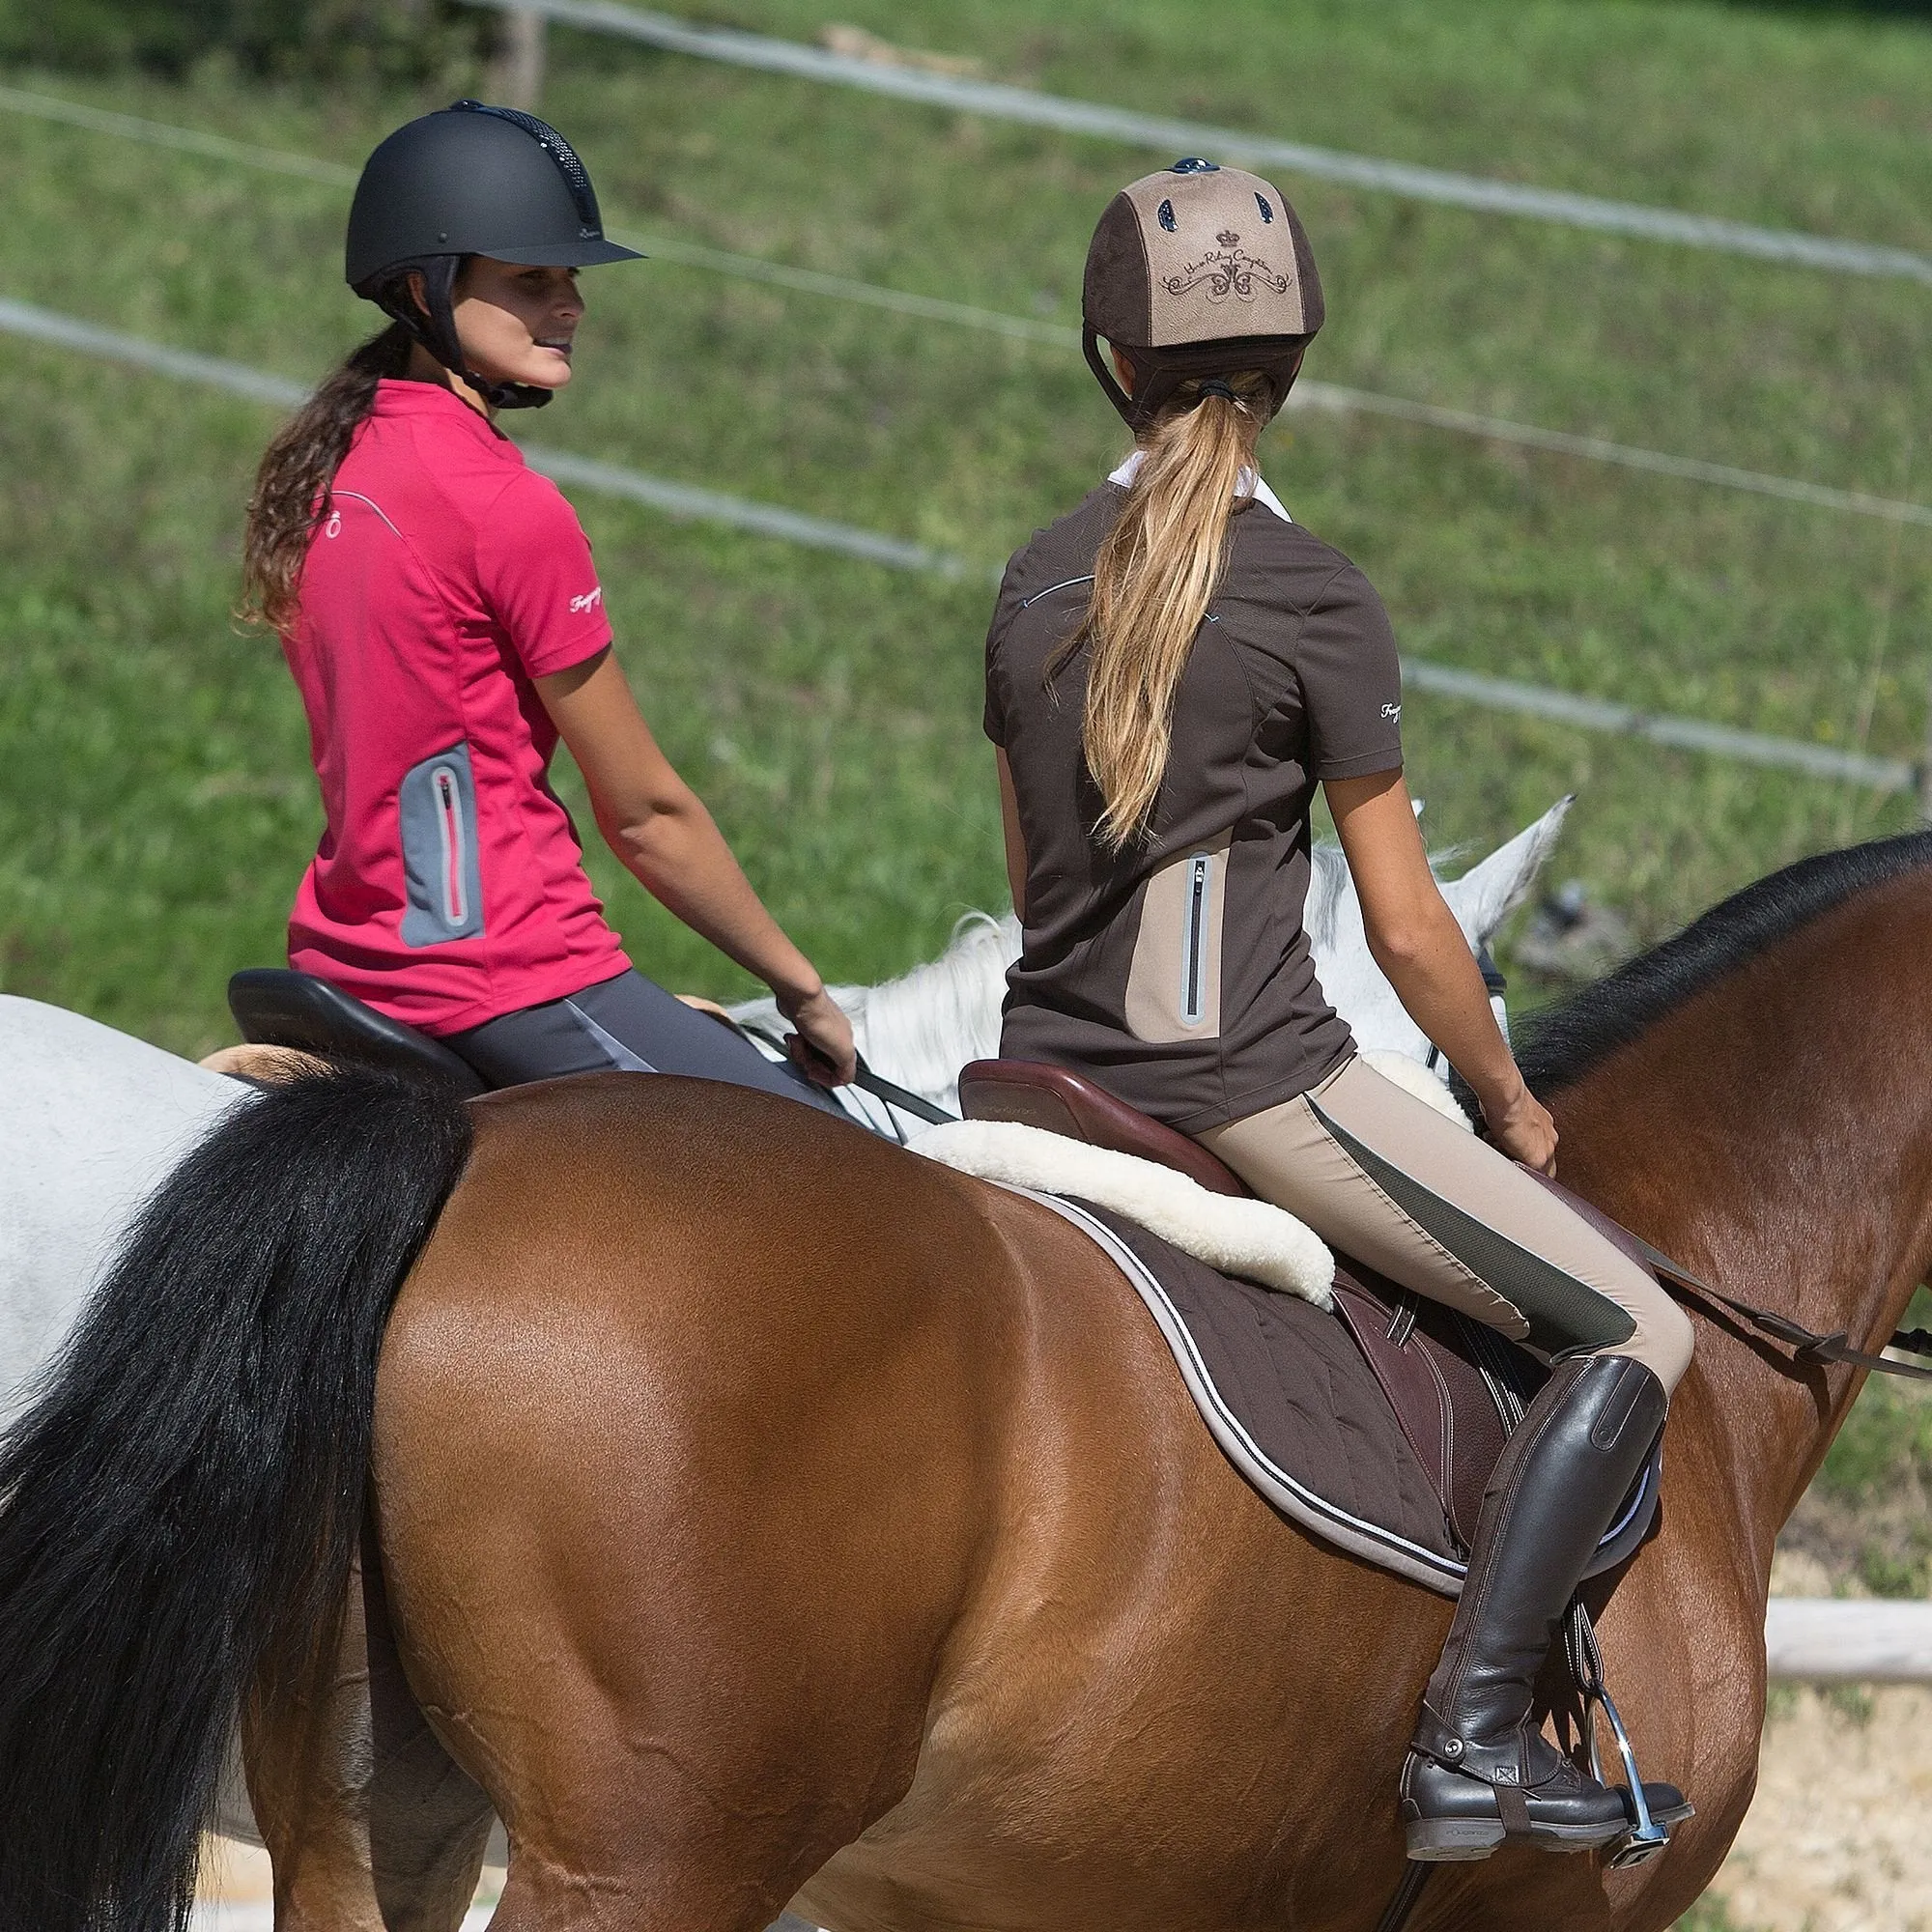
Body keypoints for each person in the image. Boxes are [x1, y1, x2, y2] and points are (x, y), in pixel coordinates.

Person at [983, 159, 1695, 1862]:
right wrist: (1506, 1098)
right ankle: (1473, 1742)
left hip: (1039, 1071)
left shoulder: (1030, 578)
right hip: (1253, 1083)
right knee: (1640, 1332)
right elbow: (1410, 931)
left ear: (1109, 361)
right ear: (1292, 366)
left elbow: (1032, 880)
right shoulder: (1310, 593)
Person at [239, 100, 853, 1105]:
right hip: (504, 977)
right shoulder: (504, 504)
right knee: (854, 1186)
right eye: (530, 279)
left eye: (569, 278)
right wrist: (799, 988)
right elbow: (649, 814)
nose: (569, 305)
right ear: (419, 288)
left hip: (348, 964)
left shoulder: (324, 471)